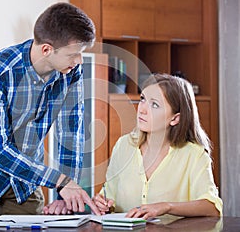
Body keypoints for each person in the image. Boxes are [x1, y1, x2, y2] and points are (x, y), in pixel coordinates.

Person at [0, 2, 101, 225]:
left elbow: (71, 133)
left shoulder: (71, 72)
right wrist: (59, 181)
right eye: (73, 54)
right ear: (47, 49)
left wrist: (63, 193)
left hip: (24, 175)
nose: (78, 61)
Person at [93, 73, 223, 219]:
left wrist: (167, 206)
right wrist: (103, 204)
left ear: (175, 119)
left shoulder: (194, 154)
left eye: (154, 105)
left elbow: (212, 207)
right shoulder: (123, 146)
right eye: (143, 99)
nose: (142, 109)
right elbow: (109, 197)